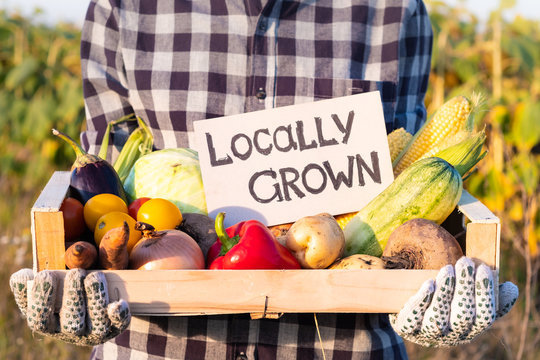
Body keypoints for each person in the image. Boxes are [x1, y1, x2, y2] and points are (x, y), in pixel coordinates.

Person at [10, 0, 518, 359]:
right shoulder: (124, 8)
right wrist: (76, 279)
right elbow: (102, 185)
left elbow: (410, 181)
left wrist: (429, 290)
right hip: (153, 346)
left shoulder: (393, 9)